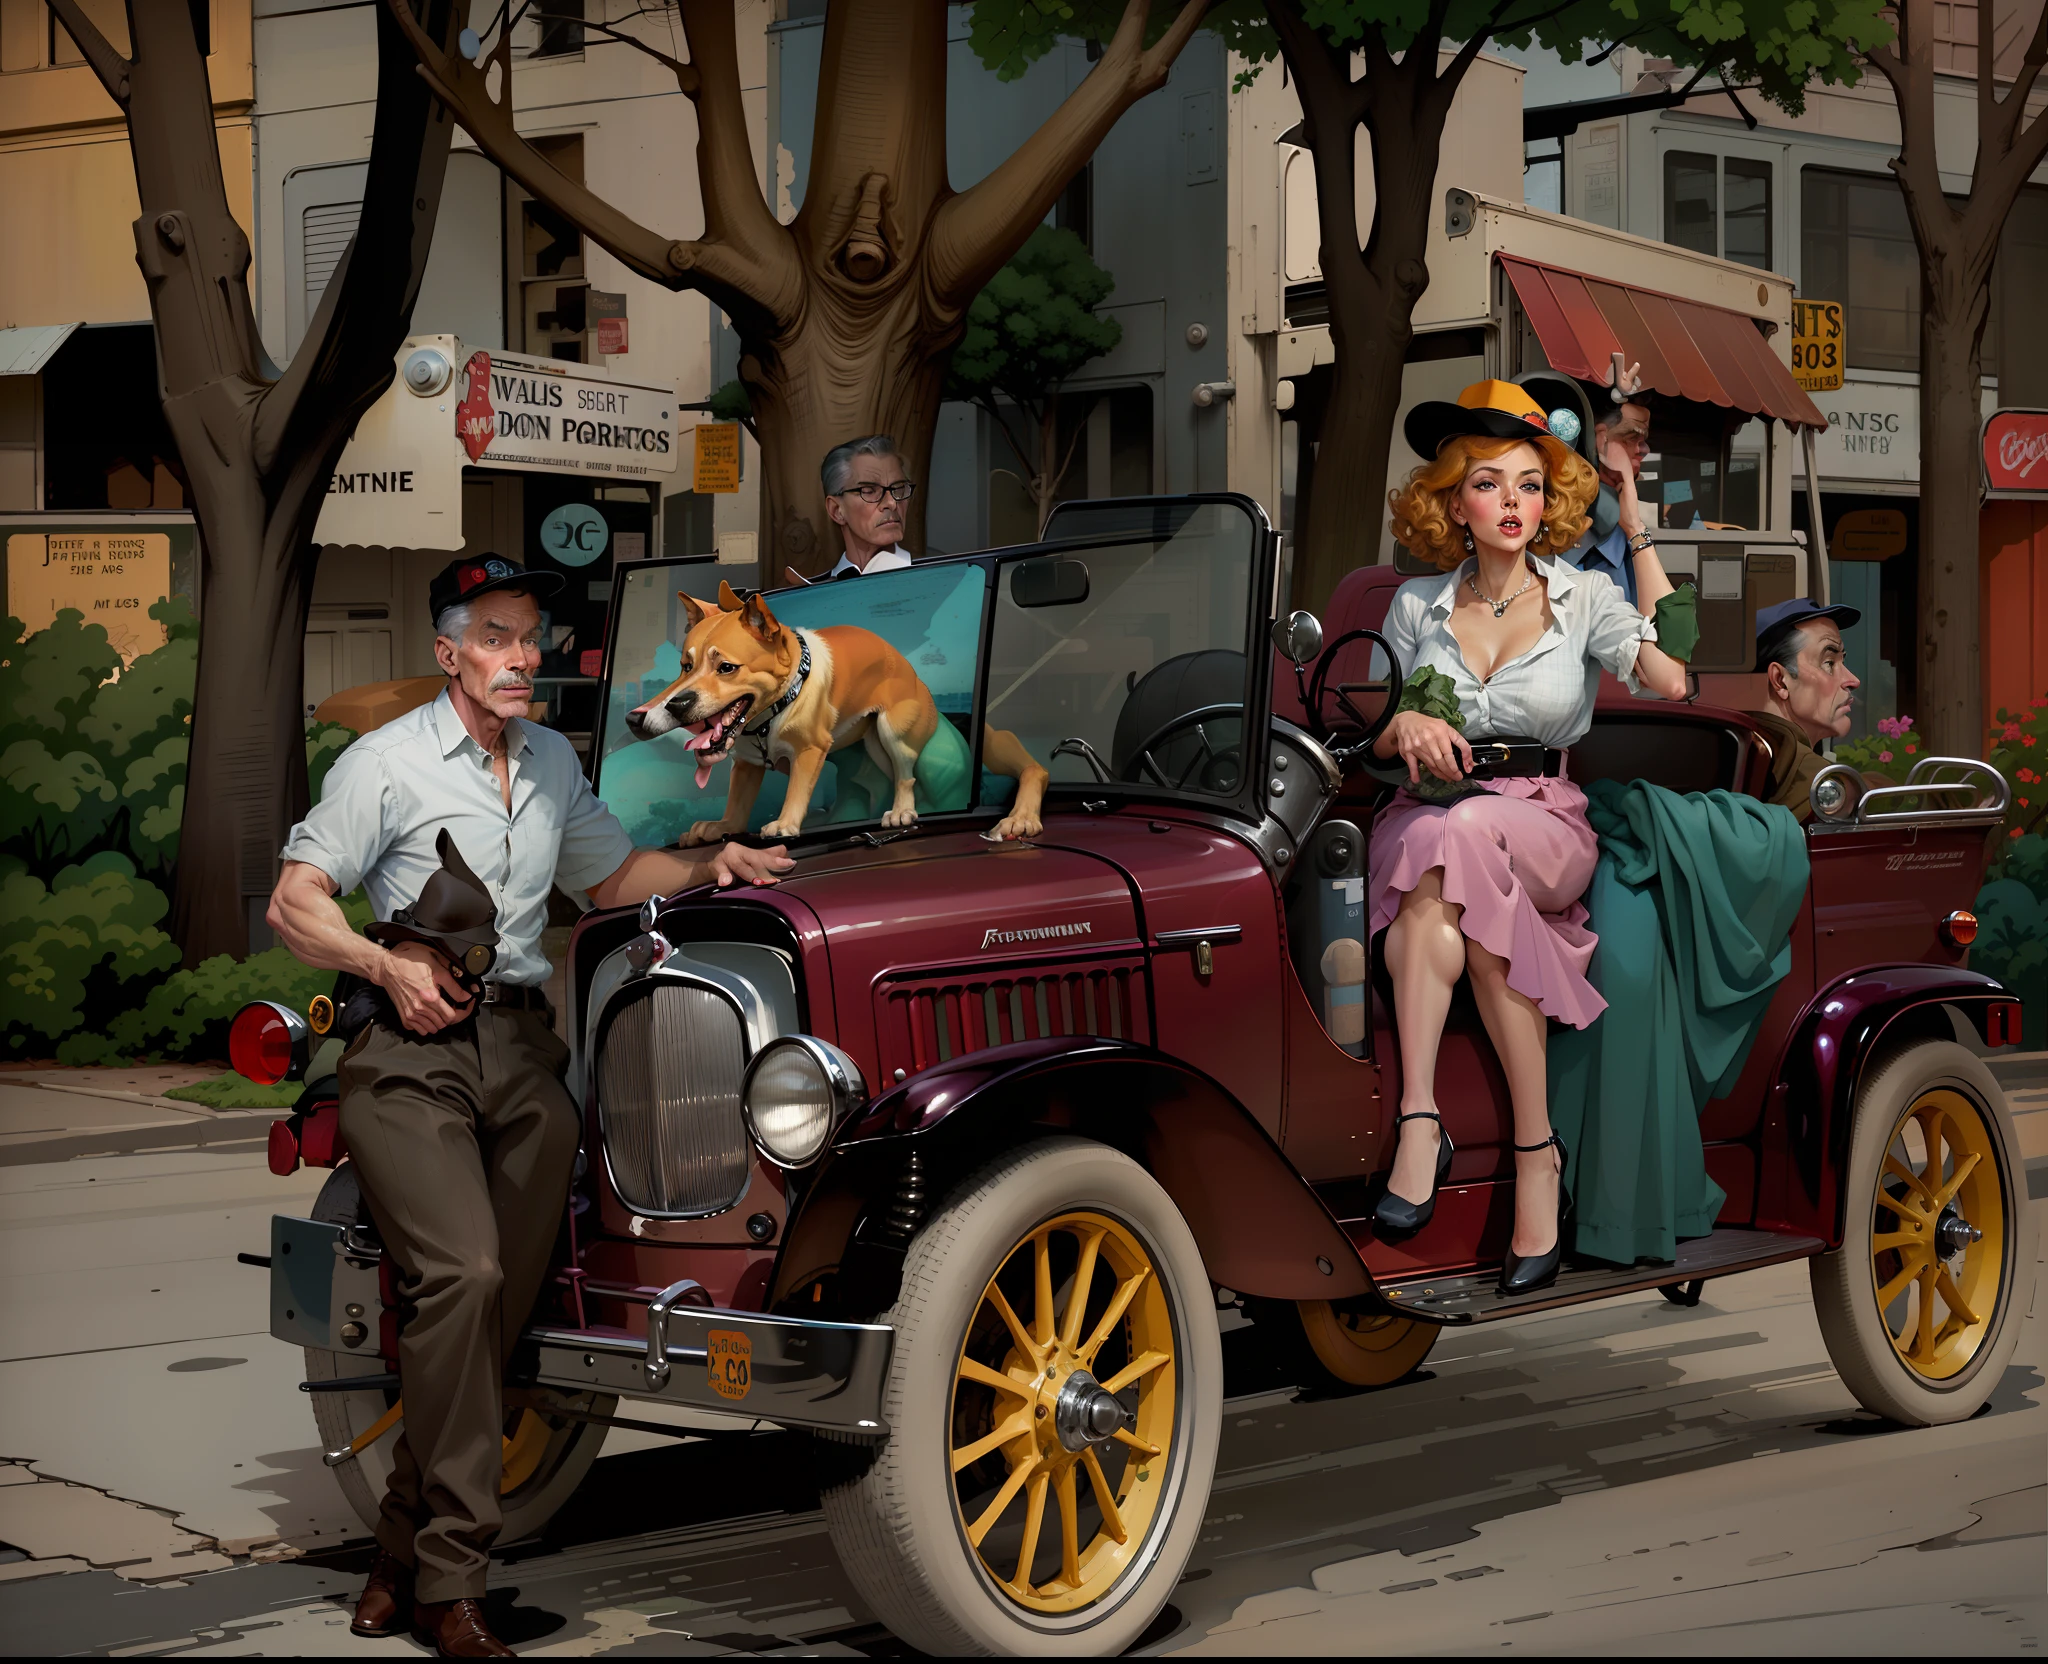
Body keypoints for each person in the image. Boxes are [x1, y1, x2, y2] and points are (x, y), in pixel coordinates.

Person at [268, 554, 791, 1658]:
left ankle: (399, 1542)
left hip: (520, 1048)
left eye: (532, 639)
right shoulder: (387, 763)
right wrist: (386, 962)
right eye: (499, 637)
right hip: (408, 1053)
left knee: (494, 1316)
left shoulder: (550, 758)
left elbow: (608, 880)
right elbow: (293, 901)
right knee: (463, 1276)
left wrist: (712, 861)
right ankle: (450, 1582)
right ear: (449, 652)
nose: (525, 659)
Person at [1371, 381, 1689, 1295]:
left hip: (1545, 820)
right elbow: (1376, 731)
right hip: (1427, 815)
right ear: (1452, 502)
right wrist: (1407, 732)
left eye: (1530, 485)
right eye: (1488, 484)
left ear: (1550, 503)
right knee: (1435, 909)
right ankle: (1514, 1149)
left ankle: (1424, 1130)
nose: (1513, 503)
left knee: (1459, 838)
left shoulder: (1586, 596)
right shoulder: (1413, 607)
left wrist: (1638, 530)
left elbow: (1672, 677)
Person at [1748, 597, 1863, 822]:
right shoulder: (1820, 781)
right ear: (1780, 680)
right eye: (1829, 663)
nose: (1852, 680)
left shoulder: (1748, 743)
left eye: (1843, 662)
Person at [1560, 374, 1653, 606]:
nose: (1643, 450)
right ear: (1601, 440)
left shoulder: (1624, 529)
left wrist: (1634, 528)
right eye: (1631, 438)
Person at [822, 434, 916, 577]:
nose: (892, 503)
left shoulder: (941, 577)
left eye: (898, 488)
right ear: (836, 510)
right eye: (869, 491)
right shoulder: (816, 594)